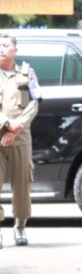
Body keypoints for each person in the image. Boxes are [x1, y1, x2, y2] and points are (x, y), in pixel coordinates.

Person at [0, 35, 40, 247]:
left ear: (15, 50)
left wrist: (17, 127)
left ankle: (20, 225)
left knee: (22, 183)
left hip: (21, 136)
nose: (1, 49)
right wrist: (7, 123)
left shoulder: (27, 73)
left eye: (5, 45)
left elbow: (34, 102)